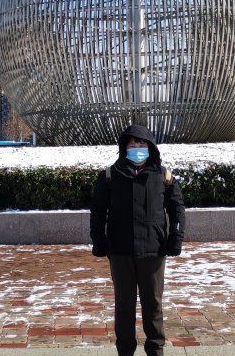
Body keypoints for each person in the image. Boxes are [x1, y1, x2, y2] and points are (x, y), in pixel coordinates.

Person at [90, 124, 185, 356]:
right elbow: (98, 211)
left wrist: (176, 238)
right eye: (132, 143)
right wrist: (99, 240)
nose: (137, 147)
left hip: (153, 251)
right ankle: (125, 351)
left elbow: (177, 209)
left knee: (153, 305)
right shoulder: (110, 176)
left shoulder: (163, 176)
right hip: (121, 251)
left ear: (150, 146)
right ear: (125, 147)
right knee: (124, 306)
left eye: (141, 143)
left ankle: (155, 350)